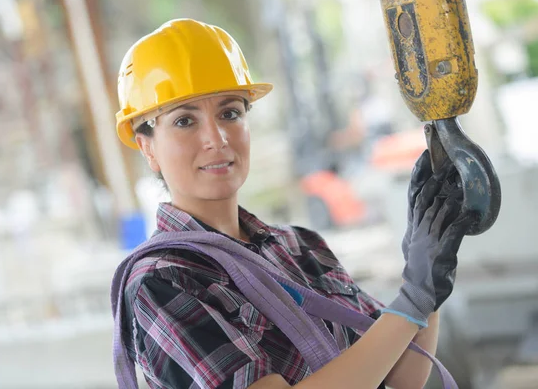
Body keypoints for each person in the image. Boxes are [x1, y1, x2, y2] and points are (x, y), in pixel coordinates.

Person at [112, 19, 474, 389]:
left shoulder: (300, 247)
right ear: (148, 147)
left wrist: (427, 280)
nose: (216, 138)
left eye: (230, 113)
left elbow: (403, 376)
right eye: (185, 120)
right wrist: (412, 300)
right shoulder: (162, 281)